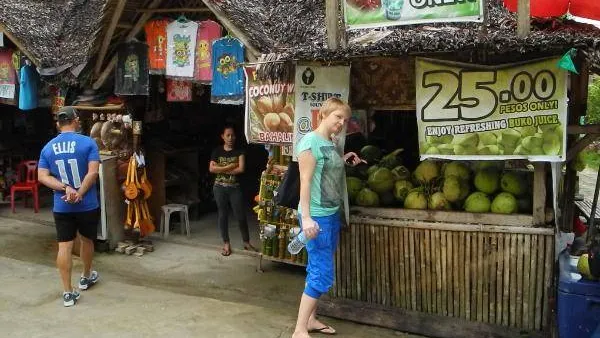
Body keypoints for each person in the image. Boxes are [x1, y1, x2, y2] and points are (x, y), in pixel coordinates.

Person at [293, 98, 363, 338]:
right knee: (322, 274)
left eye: (345, 119)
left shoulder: (330, 143)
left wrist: (344, 160)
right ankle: (299, 330)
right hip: (317, 218)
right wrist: (307, 218)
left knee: (316, 268)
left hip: (331, 215)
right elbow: (306, 182)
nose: (341, 123)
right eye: (337, 117)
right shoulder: (309, 143)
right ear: (323, 114)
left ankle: (311, 320)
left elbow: (327, 171)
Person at [38, 106, 101, 307]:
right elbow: (93, 173)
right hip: (87, 203)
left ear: (58, 124)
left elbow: (42, 176)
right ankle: (86, 276)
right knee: (87, 240)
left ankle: (67, 292)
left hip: (62, 206)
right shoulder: (88, 143)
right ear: (76, 121)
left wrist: (65, 189)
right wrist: (79, 193)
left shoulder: (48, 148)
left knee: (64, 246)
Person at [209, 125, 257, 256]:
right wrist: (231, 166)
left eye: (232, 135)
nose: (230, 138)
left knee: (240, 215)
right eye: (227, 135)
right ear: (222, 137)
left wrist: (220, 167)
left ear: (235, 137)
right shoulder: (217, 151)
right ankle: (226, 243)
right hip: (219, 187)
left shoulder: (239, 152)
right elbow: (211, 169)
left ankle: (246, 242)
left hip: (234, 188)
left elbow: (240, 169)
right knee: (222, 215)